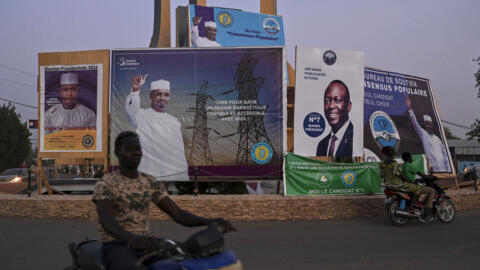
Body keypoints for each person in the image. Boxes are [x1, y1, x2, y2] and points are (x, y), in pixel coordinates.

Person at [92, 131, 236, 270]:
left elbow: (178, 214)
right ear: (117, 152)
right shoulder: (106, 183)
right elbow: (106, 220)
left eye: (138, 148)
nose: (135, 152)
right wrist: (131, 238)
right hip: (117, 245)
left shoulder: (148, 181)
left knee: (188, 260)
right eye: (129, 149)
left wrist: (208, 222)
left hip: (147, 243)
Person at [125, 75, 189, 180]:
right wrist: (136, 90)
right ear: (151, 96)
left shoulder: (174, 121)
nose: (163, 98)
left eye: (166, 95)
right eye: (158, 94)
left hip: (177, 172)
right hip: (151, 174)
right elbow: (131, 110)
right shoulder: (140, 115)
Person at [379, 146, 433, 221]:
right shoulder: (394, 164)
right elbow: (401, 175)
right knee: (417, 188)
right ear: (393, 154)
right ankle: (411, 208)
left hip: (388, 184)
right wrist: (411, 181)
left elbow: (381, 175)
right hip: (398, 184)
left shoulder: (382, 164)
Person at [403, 94, 450, 172]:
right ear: (425, 125)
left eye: (430, 124)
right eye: (427, 124)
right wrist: (410, 108)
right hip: (432, 170)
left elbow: (445, 156)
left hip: (444, 170)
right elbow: (415, 124)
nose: (429, 125)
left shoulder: (437, 139)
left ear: (432, 125)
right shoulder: (424, 134)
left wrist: (449, 170)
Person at [316, 80, 353, 157]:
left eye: (338, 100)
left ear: (348, 106)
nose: (331, 106)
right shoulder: (322, 145)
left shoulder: (356, 138)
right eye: (327, 101)